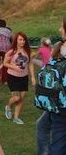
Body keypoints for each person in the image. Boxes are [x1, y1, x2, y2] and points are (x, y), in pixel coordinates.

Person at [36, 15, 66, 155]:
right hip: (58, 102)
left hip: (59, 104)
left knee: (58, 142)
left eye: (62, 26)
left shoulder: (61, 48)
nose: (60, 29)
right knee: (42, 126)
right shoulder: (59, 47)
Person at [3, 31, 35, 124]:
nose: (22, 42)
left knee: (22, 98)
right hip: (13, 77)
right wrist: (14, 67)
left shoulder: (27, 52)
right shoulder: (11, 52)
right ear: (16, 40)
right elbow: (5, 63)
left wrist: (33, 77)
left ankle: (16, 118)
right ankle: (8, 107)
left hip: (24, 77)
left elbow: (30, 64)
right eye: (20, 39)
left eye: (24, 40)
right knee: (16, 98)